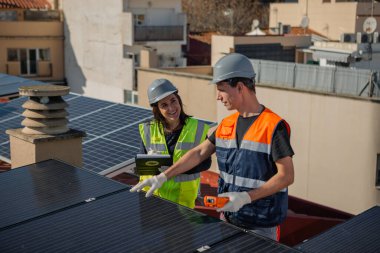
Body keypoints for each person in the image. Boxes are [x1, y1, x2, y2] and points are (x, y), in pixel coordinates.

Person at [131, 54, 294, 241]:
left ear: (240, 87)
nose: (218, 97)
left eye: (221, 90)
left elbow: (286, 176)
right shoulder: (226, 125)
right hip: (228, 217)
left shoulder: (273, 126)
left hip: (260, 224)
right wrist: (163, 176)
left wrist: (246, 197)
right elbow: (199, 152)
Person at [137, 78, 211, 209]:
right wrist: (150, 162)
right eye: (164, 105)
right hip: (154, 200)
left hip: (183, 202)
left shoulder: (197, 128)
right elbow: (142, 167)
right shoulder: (148, 129)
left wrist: (175, 169)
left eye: (173, 101)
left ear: (179, 100)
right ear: (157, 109)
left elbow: (206, 162)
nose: (171, 108)